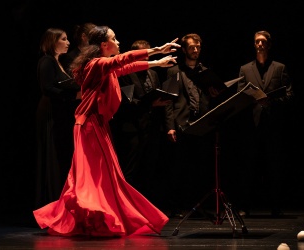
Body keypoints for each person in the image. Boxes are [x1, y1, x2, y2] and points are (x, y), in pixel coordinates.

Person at [33, 25, 181, 237]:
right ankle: (92, 216)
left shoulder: (101, 66)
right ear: (104, 45)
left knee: (106, 176)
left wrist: (156, 63)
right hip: (89, 125)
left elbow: (123, 68)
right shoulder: (97, 63)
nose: (118, 42)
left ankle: (96, 215)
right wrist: (156, 50)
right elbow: (120, 61)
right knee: (95, 177)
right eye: (114, 38)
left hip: (96, 124)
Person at [234, 30, 294, 217]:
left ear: (268, 44)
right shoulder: (245, 69)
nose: (259, 44)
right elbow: (239, 95)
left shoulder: (279, 68)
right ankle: (245, 207)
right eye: (256, 42)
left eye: (263, 42)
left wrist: (272, 102)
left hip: (273, 125)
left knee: (274, 167)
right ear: (254, 45)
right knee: (248, 168)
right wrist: (253, 100)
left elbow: (289, 95)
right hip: (251, 126)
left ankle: (275, 207)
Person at [162, 33, 223, 218]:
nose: (195, 50)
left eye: (198, 47)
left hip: (201, 124)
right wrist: (170, 126)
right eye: (191, 47)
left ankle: (197, 206)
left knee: (199, 168)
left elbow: (210, 96)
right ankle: (176, 206)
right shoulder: (174, 71)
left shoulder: (205, 71)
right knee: (179, 168)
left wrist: (214, 94)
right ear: (185, 50)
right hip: (181, 124)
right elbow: (168, 101)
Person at [110, 40, 171, 203]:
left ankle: (145, 203)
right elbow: (124, 99)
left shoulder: (153, 73)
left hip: (151, 127)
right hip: (132, 126)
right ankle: (125, 202)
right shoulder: (125, 72)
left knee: (149, 167)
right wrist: (149, 103)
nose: (145, 59)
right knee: (130, 167)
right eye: (142, 55)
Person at [35, 28, 81, 208]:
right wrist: (73, 96)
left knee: (59, 155)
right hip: (50, 113)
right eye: (64, 39)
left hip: (60, 113)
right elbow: (47, 88)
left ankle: (60, 199)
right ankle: (51, 202)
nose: (68, 42)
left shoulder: (58, 62)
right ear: (53, 41)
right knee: (52, 154)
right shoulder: (47, 61)